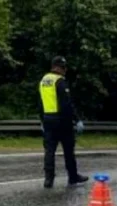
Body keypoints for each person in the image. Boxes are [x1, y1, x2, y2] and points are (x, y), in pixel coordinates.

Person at [38, 56, 88, 188]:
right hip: (62, 120)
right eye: (64, 68)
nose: (65, 70)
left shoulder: (44, 80)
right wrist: (76, 120)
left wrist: (42, 120)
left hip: (48, 119)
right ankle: (73, 177)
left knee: (49, 151)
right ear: (59, 67)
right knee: (68, 150)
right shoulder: (59, 81)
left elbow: (40, 102)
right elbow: (66, 104)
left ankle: (48, 180)